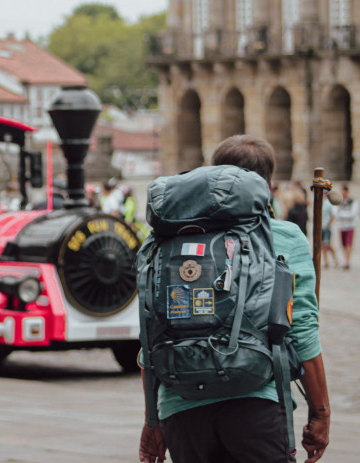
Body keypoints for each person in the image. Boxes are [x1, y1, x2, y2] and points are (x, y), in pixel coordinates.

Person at [139, 135, 330, 463]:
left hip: (181, 407)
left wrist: (152, 421)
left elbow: (151, 330)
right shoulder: (282, 236)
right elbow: (302, 330)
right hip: (256, 401)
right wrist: (321, 413)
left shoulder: (167, 238)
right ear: (267, 185)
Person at [335, 184, 359, 270]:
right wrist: (343, 214)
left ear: (346, 191)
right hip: (341, 226)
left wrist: (342, 214)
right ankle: (345, 259)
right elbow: (335, 212)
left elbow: (353, 213)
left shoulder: (352, 201)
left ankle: (347, 261)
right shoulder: (339, 201)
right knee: (343, 244)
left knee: (348, 243)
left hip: (350, 225)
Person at [321, 192, 338, 269]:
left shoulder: (328, 204)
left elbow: (333, 215)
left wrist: (329, 224)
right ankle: (326, 261)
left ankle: (335, 259)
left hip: (326, 227)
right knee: (322, 245)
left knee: (327, 244)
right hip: (321, 227)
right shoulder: (320, 203)